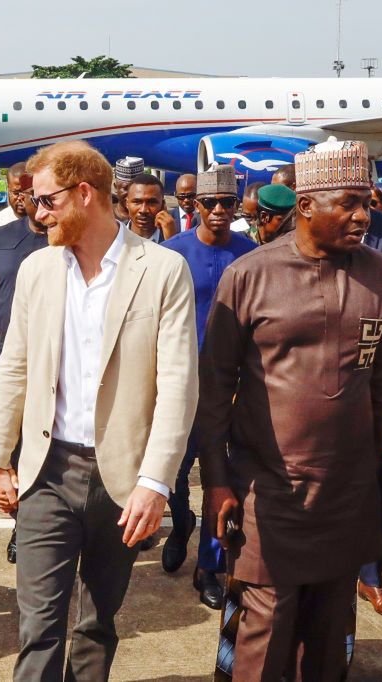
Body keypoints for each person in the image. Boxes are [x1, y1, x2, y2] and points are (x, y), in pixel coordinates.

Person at [0, 140, 198, 680]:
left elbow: (178, 386)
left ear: (84, 194)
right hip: (46, 472)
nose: (36, 213)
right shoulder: (37, 270)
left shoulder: (163, 270)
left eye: (47, 201)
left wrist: (156, 481)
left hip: (121, 479)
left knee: (97, 624)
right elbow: (15, 366)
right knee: (38, 627)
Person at [198, 140, 382, 680]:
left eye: (367, 201)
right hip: (269, 493)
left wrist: (374, 469)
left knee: (329, 645)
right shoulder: (252, 275)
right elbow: (214, 388)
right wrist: (217, 482)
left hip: (347, 493)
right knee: (262, 637)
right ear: (306, 206)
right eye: (349, 202)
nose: (363, 215)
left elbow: (381, 381)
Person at [160, 165, 256, 610]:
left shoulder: (250, 252)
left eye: (227, 204)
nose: (218, 212)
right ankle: (180, 527)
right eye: (209, 204)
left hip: (234, 387)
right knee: (175, 476)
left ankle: (210, 567)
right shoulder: (171, 253)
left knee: (224, 478)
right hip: (181, 384)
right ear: (193, 206)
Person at [0, 170, 48, 564]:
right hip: (6, 358)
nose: (30, 201)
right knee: (16, 446)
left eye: (38, 195)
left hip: (56, 360)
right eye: (22, 194)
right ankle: (23, 525)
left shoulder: (65, 240)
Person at [124, 173, 177, 243]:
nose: (143, 210)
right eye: (137, 202)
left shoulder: (175, 237)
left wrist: (172, 241)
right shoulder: (114, 236)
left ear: (163, 205)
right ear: (127, 203)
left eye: (151, 202)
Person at [113, 156, 144, 226]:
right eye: (125, 188)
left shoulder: (149, 218)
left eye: (136, 189)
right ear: (115, 187)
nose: (131, 194)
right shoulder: (105, 214)